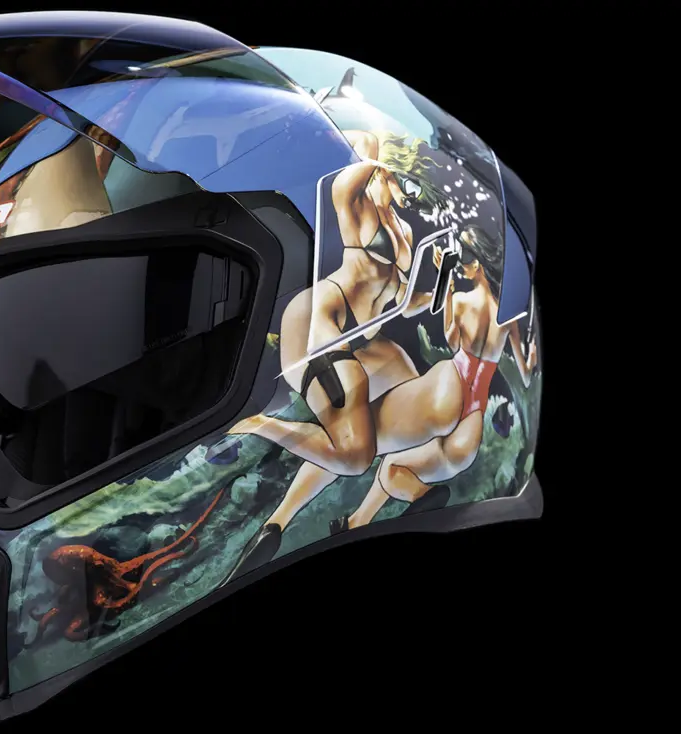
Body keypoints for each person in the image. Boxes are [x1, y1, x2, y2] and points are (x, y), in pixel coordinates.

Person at [218, 132, 442, 583]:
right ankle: (262, 425)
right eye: (406, 181)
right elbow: (353, 164)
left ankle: (279, 523)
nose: (412, 195)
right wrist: (378, 154)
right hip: (322, 320)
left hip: (362, 336)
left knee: (404, 390)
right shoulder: (356, 203)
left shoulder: (400, 229)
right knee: (355, 455)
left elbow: (400, 302)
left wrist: (438, 282)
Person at [330, 225, 537, 533]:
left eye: (464, 260)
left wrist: (447, 287)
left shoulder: (464, 302)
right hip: (472, 418)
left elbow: (452, 341)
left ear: (478, 264)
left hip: (451, 388)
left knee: (387, 462)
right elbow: (526, 373)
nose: (462, 267)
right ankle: (358, 522)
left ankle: (412, 499)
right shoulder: (508, 316)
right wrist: (531, 356)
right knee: (393, 466)